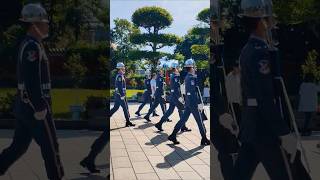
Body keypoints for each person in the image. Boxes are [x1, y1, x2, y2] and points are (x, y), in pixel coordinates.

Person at [232, 0, 298, 179]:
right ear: (261, 22)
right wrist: (283, 132)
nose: (272, 22)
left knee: (240, 173)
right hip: (264, 126)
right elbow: (265, 95)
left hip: (253, 123)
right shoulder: (259, 51)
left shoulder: (249, 48)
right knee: (290, 171)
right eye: (269, 19)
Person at [0, 4, 64, 180]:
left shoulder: (33, 44)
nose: (47, 26)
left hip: (25, 106)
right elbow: (31, 80)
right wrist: (40, 106)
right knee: (51, 148)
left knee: (18, 147)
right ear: (34, 24)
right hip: (35, 107)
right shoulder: (32, 47)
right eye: (44, 23)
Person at [167, 59, 210, 146]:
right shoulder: (191, 78)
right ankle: (204, 138)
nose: (195, 68)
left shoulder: (188, 77)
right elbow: (193, 93)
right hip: (193, 103)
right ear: (192, 67)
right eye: (194, 66)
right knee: (200, 121)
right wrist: (199, 104)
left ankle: (173, 135)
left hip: (189, 103)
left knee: (183, 120)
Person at [155, 62, 191, 132]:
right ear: (176, 68)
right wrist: (180, 98)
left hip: (172, 97)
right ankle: (183, 126)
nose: (179, 69)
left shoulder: (172, 76)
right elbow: (176, 89)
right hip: (176, 97)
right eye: (178, 67)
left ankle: (159, 123)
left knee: (170, 111)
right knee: (182, 111)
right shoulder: (176, 76)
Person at [110, 62, 135, 127]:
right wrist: (122, 95)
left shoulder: (121, 75)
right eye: (123, 68)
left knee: (116, 107)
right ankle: (128, 122)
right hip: (120, 95)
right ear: (120, 69)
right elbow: (119, 87)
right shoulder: (119, 76)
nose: (124, 69)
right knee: (125, 108)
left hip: (120, 95)